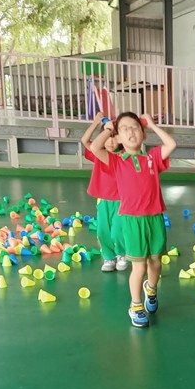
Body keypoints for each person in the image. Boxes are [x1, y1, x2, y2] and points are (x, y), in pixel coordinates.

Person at [91, 111, 177, 328]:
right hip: (131, 221)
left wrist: (152, 125)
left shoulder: (152, 158)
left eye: (135, 127)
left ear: (143, 134)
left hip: (154, 218)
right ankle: (136, 305)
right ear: (118, 137)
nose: (131, 131)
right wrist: (109, 128)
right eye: (125, 129)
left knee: (155, 262)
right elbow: (95, 148)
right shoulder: (116, 161)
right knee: (138, 267)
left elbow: (171, 144)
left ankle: (151, 290)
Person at [80, 112, 127, 273]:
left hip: (121, 200)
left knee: (117, 230)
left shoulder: (124, 156)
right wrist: (96, 122)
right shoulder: (98, 154)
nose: (110, 141)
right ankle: (109, 257)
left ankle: (121, 254)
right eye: (107, 137)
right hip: (103, 200)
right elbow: (85, 140)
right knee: (102, 231)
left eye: (114, 137)